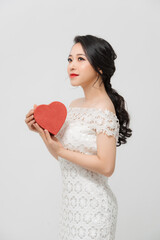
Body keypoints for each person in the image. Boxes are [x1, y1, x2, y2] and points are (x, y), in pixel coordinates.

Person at [25, 34, 132, 240]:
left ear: (100, 67)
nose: (72, 66)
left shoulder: (104, 108)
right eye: (70, 59)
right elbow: (65, 158)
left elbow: (106, 166)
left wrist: (62, 151)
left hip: (94, 209)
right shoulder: (74, 106)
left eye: (81, 59)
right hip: (71, 207)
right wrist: (41, 132)